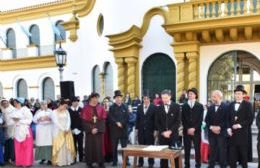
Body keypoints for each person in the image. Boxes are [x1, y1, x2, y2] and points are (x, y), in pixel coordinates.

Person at [227, 85, 253, 168]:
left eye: (239, 93)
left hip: (243, 135)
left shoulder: (248, 105)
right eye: (236, 93)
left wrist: (239, 125)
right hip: (232, 135)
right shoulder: (230, 105)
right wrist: (228, 128)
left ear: (243, 95)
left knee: (244, 158)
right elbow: (227, 118)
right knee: (232, 158)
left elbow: (250, 119)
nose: (237, 95)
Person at [155, 89, 181, 168]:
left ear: (170, 97)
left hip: (173, 135)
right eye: (162, 98)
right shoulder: (158, 108)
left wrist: (170, 131)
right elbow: (157, 122)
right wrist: (163, 132)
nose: (164, 100)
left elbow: (178, 121)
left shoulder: (176, 106)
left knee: (175, 156)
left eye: (166, 98)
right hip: (162, 136)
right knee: (163, 157)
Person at [81, 93, 107, 168]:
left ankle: (100, 162)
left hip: (98, 131)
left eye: (97, 98)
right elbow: (84, 121)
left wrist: (97, 129)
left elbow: (102, 120)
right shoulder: (85, 108)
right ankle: (89, 162)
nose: (96, 100)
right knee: (90, 147)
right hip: (90, 132)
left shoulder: (101, 108)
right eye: (95, 98)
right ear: (91, 98)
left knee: (100, 147)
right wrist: (91, 129)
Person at [205, 90, 229, 168]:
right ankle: (211, 165)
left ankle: (223, 165)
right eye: (212, 96)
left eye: (214, 96)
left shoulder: (226, 106)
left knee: (222, 151)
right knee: (212, 150)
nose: (212, 98)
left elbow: (227, 120)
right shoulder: (211, 107)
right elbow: (207, 119)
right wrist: (212, 127)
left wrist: (219, 127)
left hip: (222, 133)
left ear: (219, 97)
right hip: (212, 133)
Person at [182, 88, 204, 168]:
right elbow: (182, 119)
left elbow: (200, 120)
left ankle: (198, 164)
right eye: (189, 94)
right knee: (187, 149)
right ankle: (186, 164)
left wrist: (194, 128)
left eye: (192, 94)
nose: (190, 95)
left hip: (196, 131)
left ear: (195, 95)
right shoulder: (184, 106)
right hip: (186, 131)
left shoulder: (200, 106)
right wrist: (188, 128)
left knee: (197, 149)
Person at [108, 90, 130, 167]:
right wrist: (116, 123)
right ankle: (115, 161)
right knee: (114, 147)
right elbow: (110, 118)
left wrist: (122, 123)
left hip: (123, 130)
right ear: (115, 98)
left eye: (120, 97)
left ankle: (126, 160)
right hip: (114, 131)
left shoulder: (125, 107)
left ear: (121, 98)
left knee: (124, 147)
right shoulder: (112, 107)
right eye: (117, 97)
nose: (119, 99)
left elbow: (127, 117)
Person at [52, 99, 76, 166]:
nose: (65, 108)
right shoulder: (54, 112)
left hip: (67, 130)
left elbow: (69, 120)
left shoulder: (66, 111)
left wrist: (67, 128)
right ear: (60, 105)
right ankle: (59, 161)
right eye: (64, 106)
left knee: (67, 145)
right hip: (58, 131)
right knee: (60, 146)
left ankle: (68, 161)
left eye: (66, 106)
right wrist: (63, 129)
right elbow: (56, 122)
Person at [135, 94, 157, 168]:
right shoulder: (139, 107)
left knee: (150, 147)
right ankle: (140, 162)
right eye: (144, 99)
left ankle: (151, 163)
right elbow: (137, 119)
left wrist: (155, 130)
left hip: (150, 131)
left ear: (150, 99)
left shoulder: (154, 107)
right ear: (143, 99)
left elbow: (155, 120)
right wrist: (137, 129)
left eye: (147, 98)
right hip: (141, 130)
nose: (146, 100)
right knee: (141, 147)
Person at [12, 98, 34, 167]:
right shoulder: (15, 110)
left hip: (25, 130)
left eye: (16, 103)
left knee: (26, 147)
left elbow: (30, 120)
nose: (15, 104)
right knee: (18, 147)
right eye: (14, 103)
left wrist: (19, 121)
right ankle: (19, 162)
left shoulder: (26, 110)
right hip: (17, 130)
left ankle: (27, 162)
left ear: (20, 103)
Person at [33, 101, 53, 165]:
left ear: (47, 105)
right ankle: (42, 158)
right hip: (40, 130)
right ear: (40, 105)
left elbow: (54, 119)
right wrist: (39, 119)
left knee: (49, 144)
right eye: (42, 104)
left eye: (45, 104)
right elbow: (34, 120)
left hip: (48, 129)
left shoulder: (50, 111)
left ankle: (49, 159)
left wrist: (49, 118)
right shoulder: (38, 111)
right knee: (41, 144)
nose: (44, 105)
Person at [68, 97, 83, 163]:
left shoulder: (81, 109)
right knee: (73, 145)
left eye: (77, 101)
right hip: (72, 131)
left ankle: (81, 158)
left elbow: (83, 120)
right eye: (74, 101)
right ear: (72, 102)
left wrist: (81, 129)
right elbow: (68, 121)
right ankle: (74, 158)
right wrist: (71, 129)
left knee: (80, 145)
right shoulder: (68, 110)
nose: (76, 103)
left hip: (80, 130)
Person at [0, 99, 15, 164]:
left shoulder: (12, 109)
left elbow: (14, 119)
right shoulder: (3, 109)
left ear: (8, 103)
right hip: (5, 129)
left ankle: (12, 158)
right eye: (3, 104)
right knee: (6, 144)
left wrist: (6, 125)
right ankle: (6, 157)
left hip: (12, 128)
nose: (5, 105)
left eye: (6, 103)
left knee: (11, 144)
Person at [103, 97, 113, 162]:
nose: (106, 102)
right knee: (104, 143)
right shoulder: (101, 109)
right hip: (104, 128)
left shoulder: (111, 109)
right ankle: (104, 156)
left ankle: (110, 157)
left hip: (110, 128)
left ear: (109, 102)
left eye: (107, 101)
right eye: (104, 101)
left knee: (110, 143)